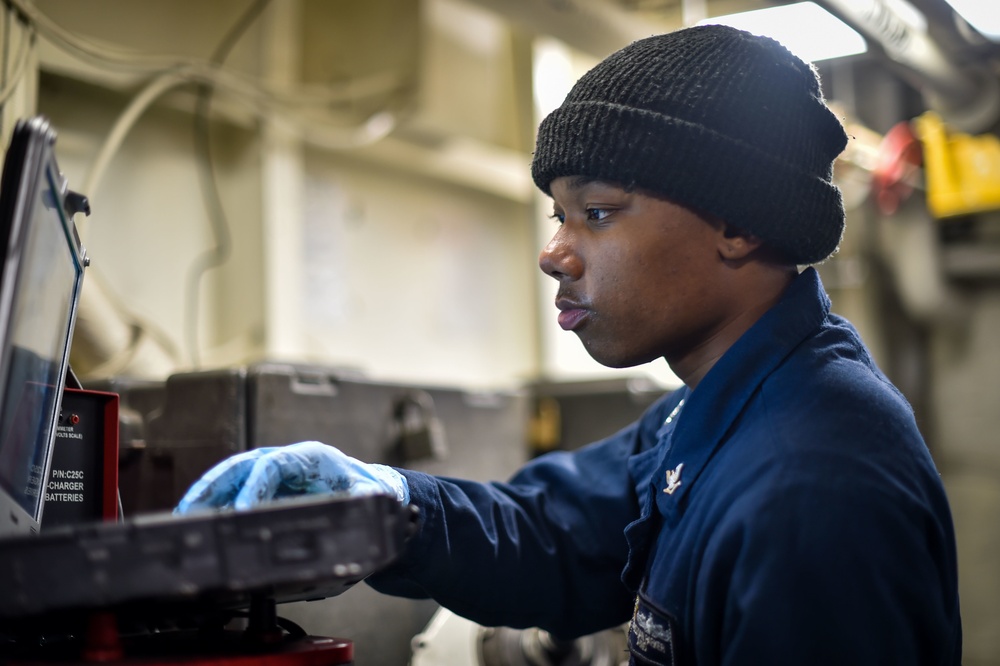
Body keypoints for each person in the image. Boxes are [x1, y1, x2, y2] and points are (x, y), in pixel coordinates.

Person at [176, 24, 962, 664]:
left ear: (739, 224)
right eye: (558, 214)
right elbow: (558, 536)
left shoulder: (811, 492)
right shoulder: (716, 411)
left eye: (599, 211)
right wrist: (385, 504)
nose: (555, 250)